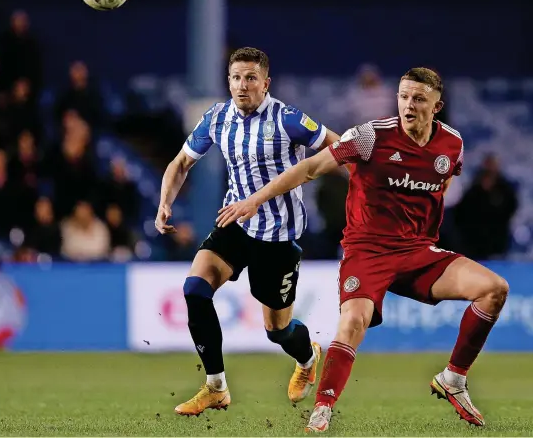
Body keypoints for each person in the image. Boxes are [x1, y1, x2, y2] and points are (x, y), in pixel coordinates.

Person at [216, 68, 509, 432]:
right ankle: (323, 407)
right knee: (354, 321)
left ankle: (453, 378)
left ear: (437, 106)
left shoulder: (452, 144)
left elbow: (448, 174)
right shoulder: (370, 136)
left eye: (419, 99)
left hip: (418, 251)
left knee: (494, 290)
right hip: (367, 252)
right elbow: (310, 168)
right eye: (403, 97)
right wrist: (256, 199)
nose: (408, 105)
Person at [155, 47, 342, 416]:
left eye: (251, 78)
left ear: (266, 83)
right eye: (236, 78)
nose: (243, 86)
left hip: (277, 236)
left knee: (277, 330)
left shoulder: (288, 119)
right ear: (228, 81)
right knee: (195, 288)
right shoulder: (217, 118)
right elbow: (180, 164)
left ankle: (307, 358)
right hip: (235, 223)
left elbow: (340, 148)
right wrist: (164, 202)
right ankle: (216, 386)